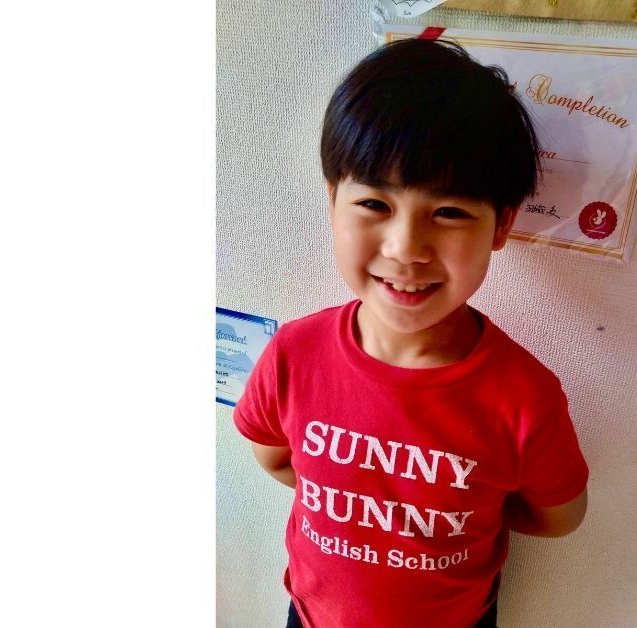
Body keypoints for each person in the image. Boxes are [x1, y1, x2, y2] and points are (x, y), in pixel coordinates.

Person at [234, 36, 589, 628]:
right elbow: (273, 457)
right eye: (375, 204)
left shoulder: (525, 397)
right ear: (333, 199)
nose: (406, 248)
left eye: (448, 212)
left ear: (501, 225)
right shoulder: (293, 354)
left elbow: (558, 517)